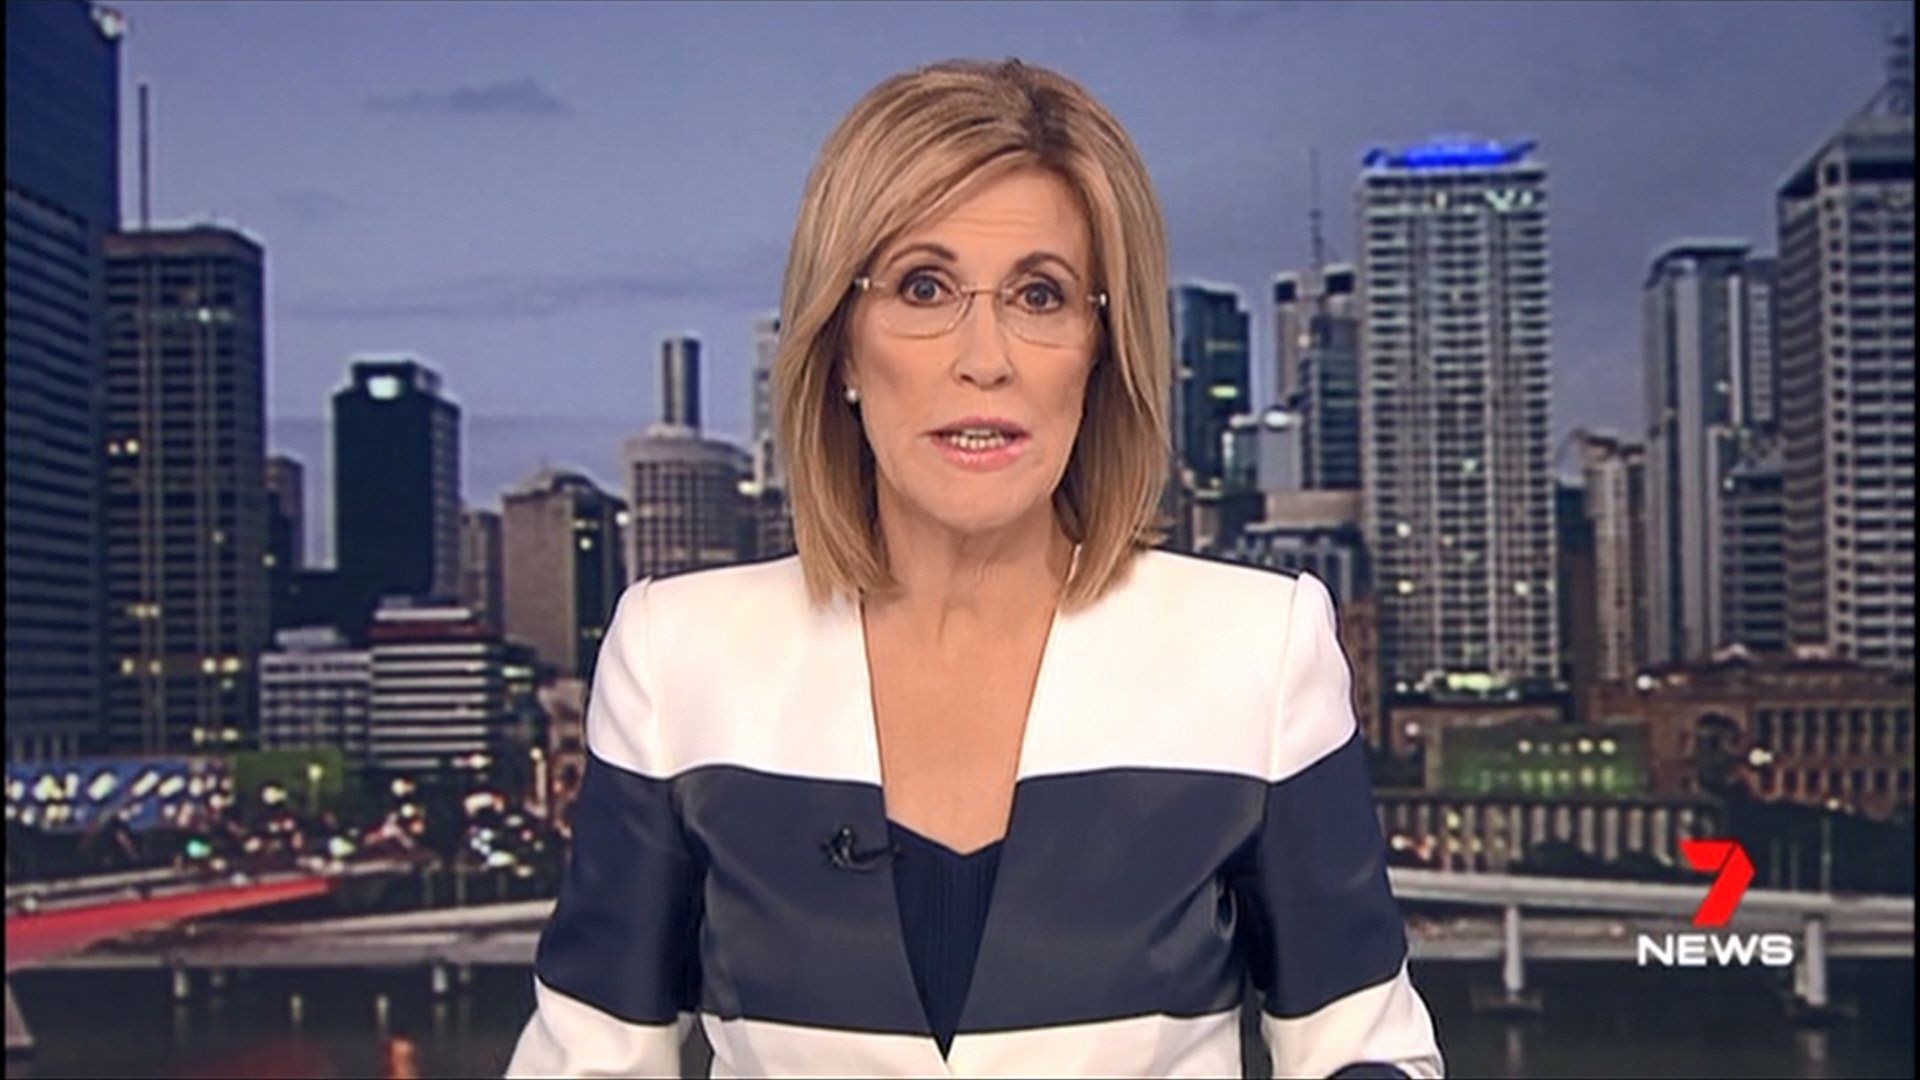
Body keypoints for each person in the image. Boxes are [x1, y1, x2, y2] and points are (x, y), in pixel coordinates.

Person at [507, 57, 1442, 1078]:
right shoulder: (676, 657)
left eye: (1041, 295)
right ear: (842, 344)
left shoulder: (1258, 649)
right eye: (924, 287)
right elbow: (586, 1060)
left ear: (1101, 346)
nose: (984, 356)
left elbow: (1365, 1049)